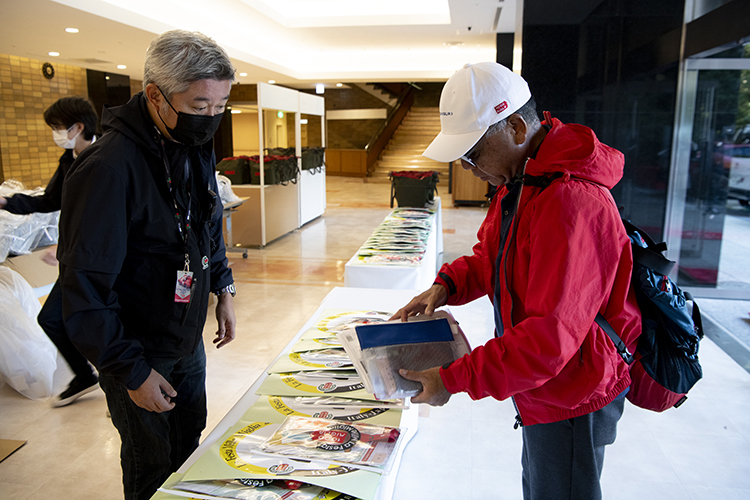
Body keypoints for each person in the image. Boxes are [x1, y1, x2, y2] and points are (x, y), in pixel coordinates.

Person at [393, 62, 642, 500]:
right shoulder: (523, 182)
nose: (468, 167)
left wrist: (452, 378)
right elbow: (494, 257)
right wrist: (447, 285)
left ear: (515, 127)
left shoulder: (569, 202)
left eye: (473, 153)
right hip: (545, 385)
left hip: (572, 391)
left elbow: (548, 341)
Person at [57, 30, 237, 500]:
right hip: (137, 349)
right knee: (150, 465)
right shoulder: (107, 168)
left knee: (188, 445)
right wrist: (132, 372)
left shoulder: (191, 141)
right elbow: (84, 288)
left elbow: (206, 223)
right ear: (155, 95)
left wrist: (223, 288)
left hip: (186, 338)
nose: (211, 119)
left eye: (220, 106)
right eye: (200, 106)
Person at [0, 96, 100, 407]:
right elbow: (50, 200)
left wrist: (68, 243)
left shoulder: (106, 158)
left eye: (58, 127)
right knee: (53, 319)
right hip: (75, 257)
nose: (56, 133)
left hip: (99, 259)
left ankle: (120, 387)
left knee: (100, 323)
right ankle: (85, 375)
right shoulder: (69, 159)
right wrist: (7, 202)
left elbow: (104, 214)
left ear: (78, 126)